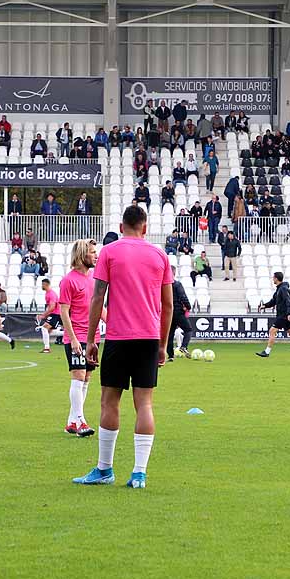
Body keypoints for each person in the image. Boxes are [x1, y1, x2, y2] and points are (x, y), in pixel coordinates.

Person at [72, 205, 173, 489]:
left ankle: (105, 469)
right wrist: (163, 344)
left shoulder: (109, 252)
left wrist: (91, 339)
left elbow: (97, 298)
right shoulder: (159, 255)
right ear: (145, 226)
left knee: (109, 401)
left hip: (117, 338)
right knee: (144, 404)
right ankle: (139, 473)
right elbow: (168, 305)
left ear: (121, 225)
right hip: (149, 339)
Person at [58, 239, 99, 437]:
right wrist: (72, 338)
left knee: (87, 378)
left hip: (93, 337)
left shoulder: (94, 279)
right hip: (77, 336)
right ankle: (81, 420)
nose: (96, 255)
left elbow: (99, 308)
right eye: (92, 252)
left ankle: (72, 421)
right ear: (82, 255)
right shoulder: (68, 280)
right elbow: (63, 312)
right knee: (78, 375)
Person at [255, 272, 290, 358]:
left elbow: (288, 301)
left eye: (273, 278)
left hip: (283, 315)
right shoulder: (279, 289)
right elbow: (273, 301)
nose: (272, 279)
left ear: (276, 278)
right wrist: (264, 306)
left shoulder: (283, 289)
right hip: (283, 315)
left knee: (272, 331)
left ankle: (267, 352)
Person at [166, 278, 193, 362]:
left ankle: (170, 356)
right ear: (174, 273)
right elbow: (183, 296)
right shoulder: (177, 284)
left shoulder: (164, 285)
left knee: (170, 334)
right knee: (188, 330)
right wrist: (188, 307)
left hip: (168, 312)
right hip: (178, 312)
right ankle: (183, 346)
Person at [34, 277, 62, 352]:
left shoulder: (51, 294)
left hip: (56, 314)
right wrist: (44, 314)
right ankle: (47, 347)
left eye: (42, 284)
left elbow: (52, 307)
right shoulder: (48, 293)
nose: (42, 286)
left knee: (44, 328)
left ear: (46, 284)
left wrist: (43, 315)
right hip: (55, 314)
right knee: (49, 331)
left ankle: (47, 348)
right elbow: (50, 307)